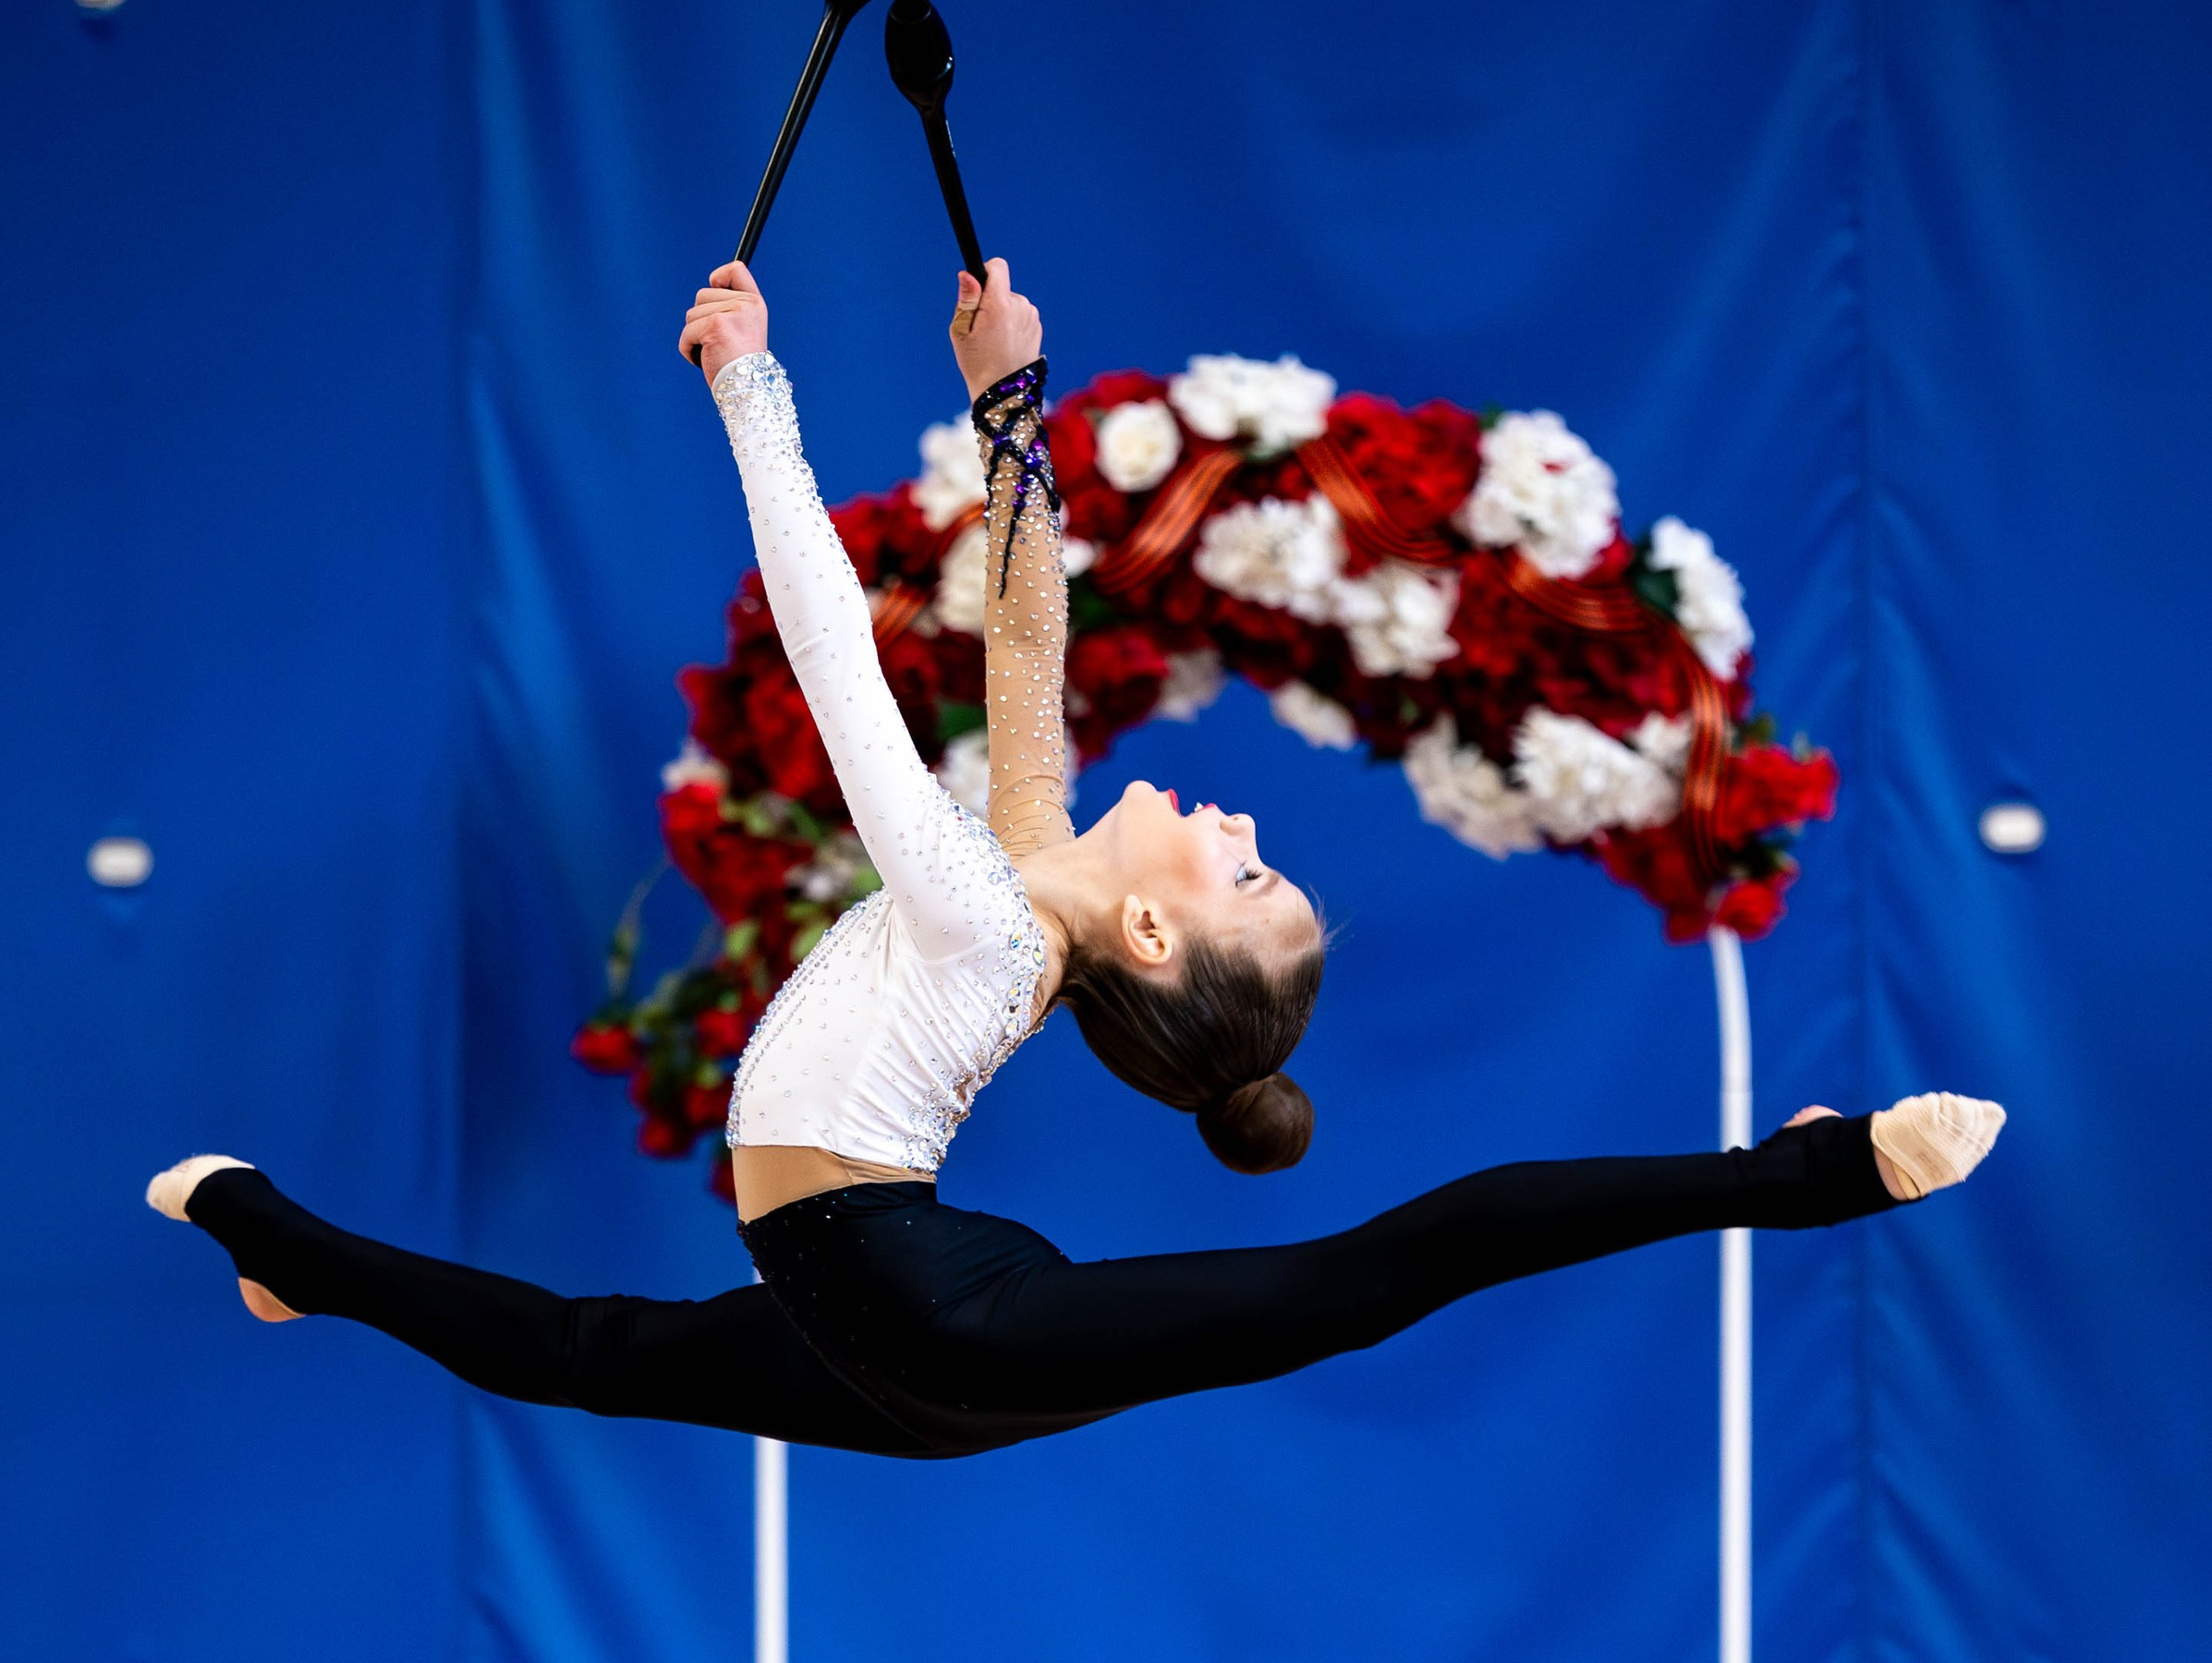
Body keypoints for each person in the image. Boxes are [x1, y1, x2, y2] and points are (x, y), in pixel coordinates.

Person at [150, 255, 2002, 1458]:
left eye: (1245, 876)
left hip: (939, 1318)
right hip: (898, 1324)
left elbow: (835, 654)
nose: (1240, 824)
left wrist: (752, 386)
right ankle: (287, 1254)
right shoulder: (1024, 876)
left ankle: (1811, 1173)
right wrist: (1009, 402)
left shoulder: (977, 910)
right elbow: (1026, 638)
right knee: (589, 1350)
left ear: (1152, 936)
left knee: (1377, 1274)